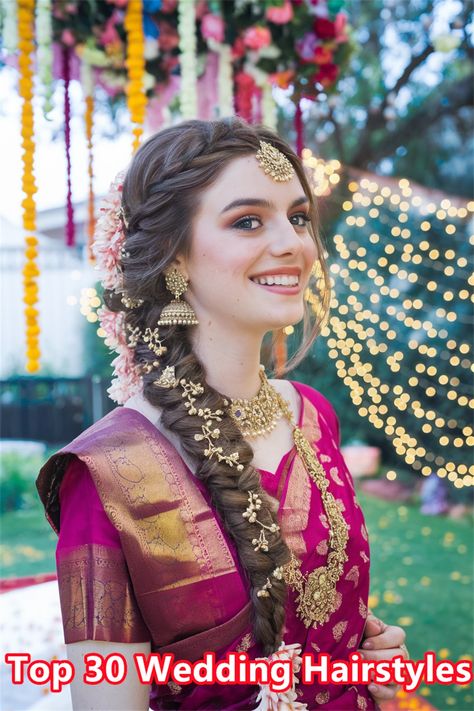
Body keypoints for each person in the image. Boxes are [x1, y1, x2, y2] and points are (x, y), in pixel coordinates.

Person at [36, 117, 409, 710]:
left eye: (298, 217)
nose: (292, 243)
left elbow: (328, 611)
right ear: (174, 257)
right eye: (248, 221)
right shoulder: (108, 473)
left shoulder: (312, 416)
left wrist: (373, 666)